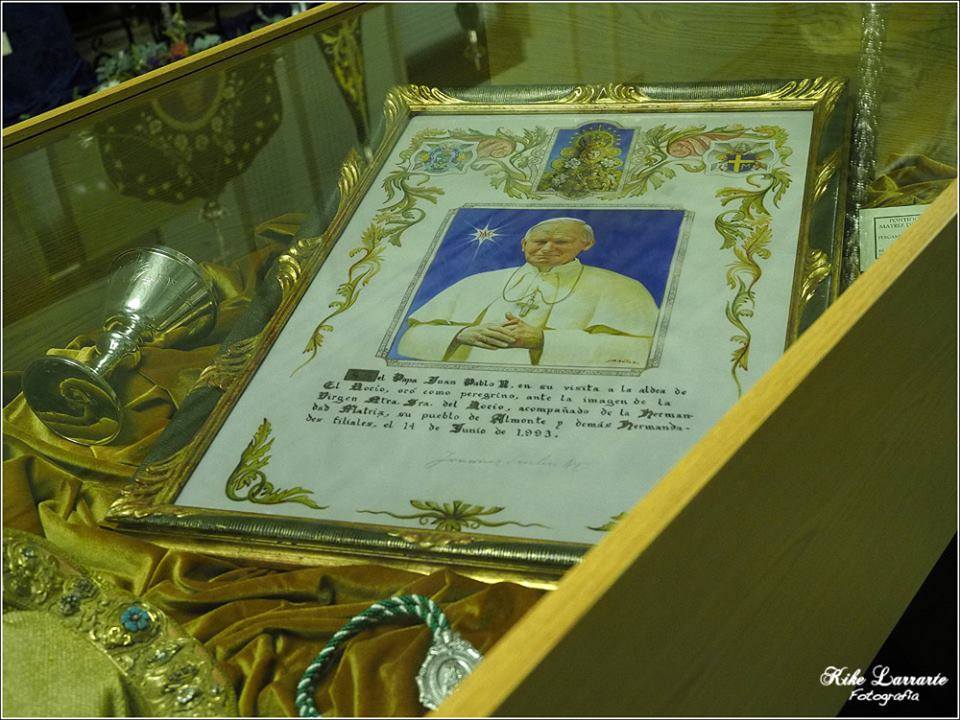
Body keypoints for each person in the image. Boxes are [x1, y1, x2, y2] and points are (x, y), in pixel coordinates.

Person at [397, 217, 659, 368]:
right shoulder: (477, 282)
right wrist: (460, 334)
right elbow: (411, 336)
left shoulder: (622, 287)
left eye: (561, 241)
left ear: (586, 244)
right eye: (540, 241)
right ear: (524, 244)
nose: (548, 248)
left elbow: (640, 352)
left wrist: (544, 340)